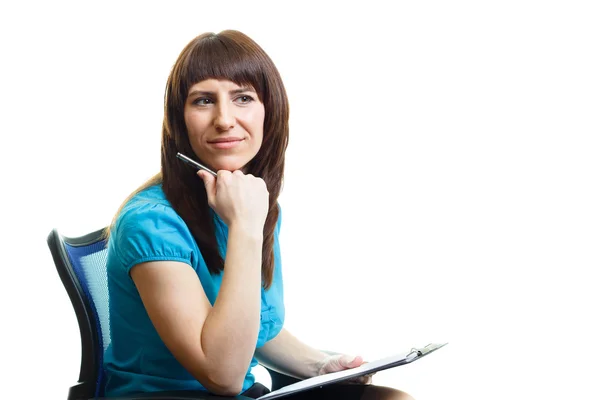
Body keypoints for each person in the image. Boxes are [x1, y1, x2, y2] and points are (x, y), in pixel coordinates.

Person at [103, 30, 414, 400]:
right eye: (203, 100)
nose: (224, 119)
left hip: (242, 394)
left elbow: (256, 327)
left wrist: (320, 366)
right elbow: (223, 375)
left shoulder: (246, 202)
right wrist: (245, 227)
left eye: (243, 98)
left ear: (270, 110)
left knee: (391, 398)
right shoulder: (150, 224)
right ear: (179, 119)